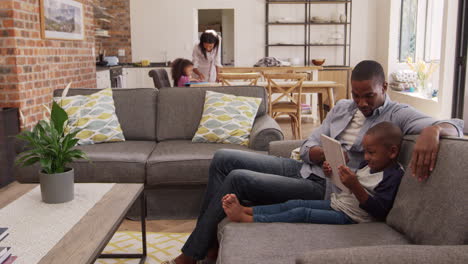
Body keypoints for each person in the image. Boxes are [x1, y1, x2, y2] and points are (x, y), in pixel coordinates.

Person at [168, 60, 463, 264]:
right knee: (223, 158)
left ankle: (192, 253)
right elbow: (311, 141)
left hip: (328, 189)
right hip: (305, 168)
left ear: (384, 86)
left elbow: (457, 123)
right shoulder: (342, 107)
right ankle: (208, 242)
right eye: (356, 94)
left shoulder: (397, 114)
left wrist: (434, 130)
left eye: (369, 96)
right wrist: (317, 153)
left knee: (237, 178)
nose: (361, 102)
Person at [222, 122, 404, 225]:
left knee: (302, 212)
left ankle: (250, 220)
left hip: (351, 217)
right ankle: (250, 210)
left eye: (371, 152)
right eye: (365, 151)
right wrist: (334, 172)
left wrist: (354, 185)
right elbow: (355, 182)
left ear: (393, 152)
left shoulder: (392, 176)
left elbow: (379, 211)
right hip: (338, 203)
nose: (366, 157)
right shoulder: (369, 165)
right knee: (295, 203)